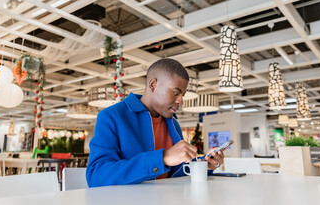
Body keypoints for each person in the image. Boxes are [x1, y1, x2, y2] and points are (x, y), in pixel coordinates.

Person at [86, 58, 224, 187]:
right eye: (176, 93)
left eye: (183, 95)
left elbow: (178, 172)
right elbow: (96, 176)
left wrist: (203, 166)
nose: (181, 101)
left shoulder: (173, 124)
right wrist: (163, 158)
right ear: (153, 85)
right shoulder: (112, 116)